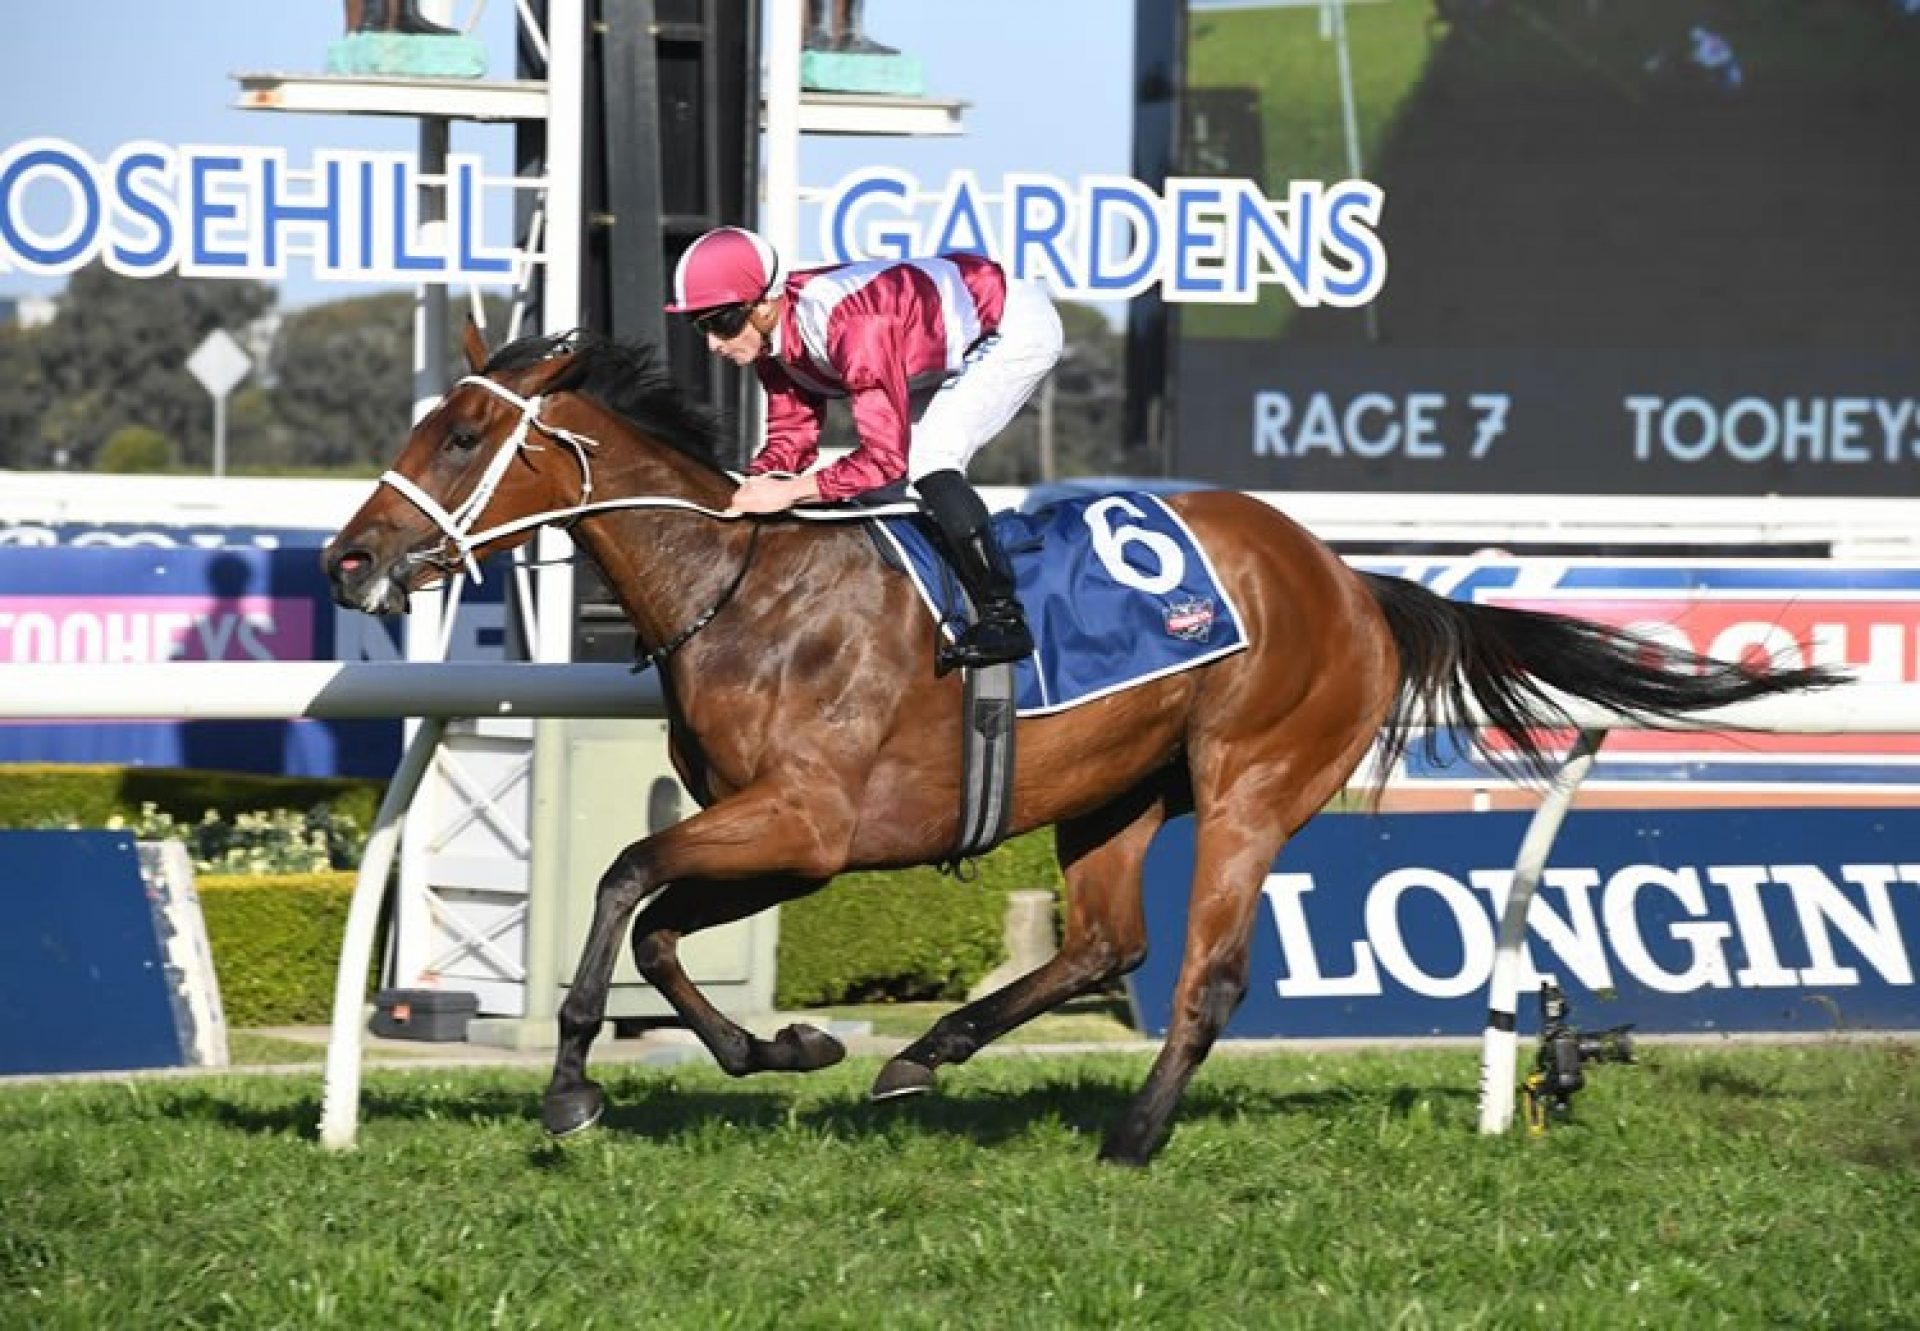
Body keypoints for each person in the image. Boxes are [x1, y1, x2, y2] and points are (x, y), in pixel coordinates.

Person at [665, 226, 1062, 673]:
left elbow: (885, 459)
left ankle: (1003, 617)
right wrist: (753, 483)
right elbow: (791, 440)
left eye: (721, 322)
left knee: (927, 459)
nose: (713, 344)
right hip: (934, 339)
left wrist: (792, 492)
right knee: (877, 497)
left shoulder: (852, 326)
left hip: (1010, 325)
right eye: (700, 325)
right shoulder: (774, 342)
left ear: (763, 304)